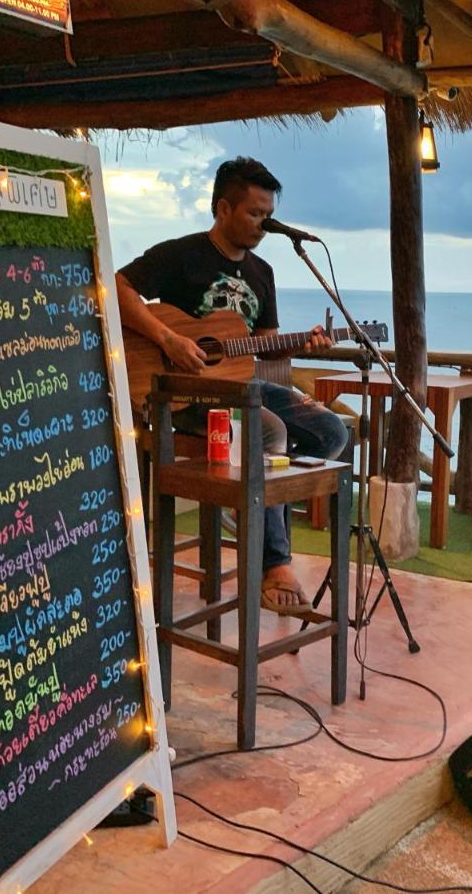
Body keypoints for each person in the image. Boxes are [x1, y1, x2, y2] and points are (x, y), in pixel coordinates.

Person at [116, 157, 348, 615]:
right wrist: (169, 338)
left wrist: (304, 344)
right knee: (268, 431)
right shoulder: (181, 254)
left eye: (268, 214)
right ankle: (273, 563)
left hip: (238, 385)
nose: (264, 224)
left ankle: (258, 516)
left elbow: (263, 348)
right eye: (255, 213)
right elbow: (116, 286)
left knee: (331, 432)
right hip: (182, 394)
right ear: (223, 208)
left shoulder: (262, 273)